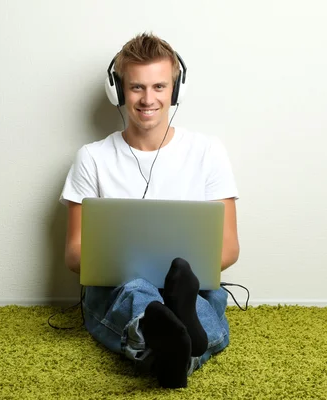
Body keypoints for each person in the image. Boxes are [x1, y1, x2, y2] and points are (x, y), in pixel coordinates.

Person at [58, 32, 240, 389]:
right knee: (138, 289)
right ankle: (182, 336)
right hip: (115, 287)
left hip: (195, 286)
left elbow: (229, 248)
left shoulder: (208, 151)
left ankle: (165, 344)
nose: (148, 99)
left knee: (202, 297)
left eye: (159, 86)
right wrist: (134, 270)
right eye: (137, 87)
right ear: (118, 90)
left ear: (176, 90)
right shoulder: (92, 158)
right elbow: (74, 252)